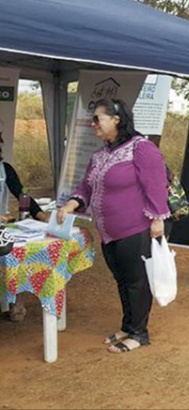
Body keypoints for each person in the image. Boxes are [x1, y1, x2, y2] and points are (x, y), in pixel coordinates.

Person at [57, 98, 169, 354]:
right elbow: (86, 186)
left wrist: (157, 219)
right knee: (123, 280)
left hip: (136, 229)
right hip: (108, 233)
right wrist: (71, 205)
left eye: (97, 119)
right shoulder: (100, 155)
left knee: (136, 282)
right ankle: (128, 326)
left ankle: (139, 333)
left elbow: (155, 183)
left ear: (116, 120)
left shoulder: (141, 148)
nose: (92, 124)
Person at [0, 120, 50, 323]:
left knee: (15, 256)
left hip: (2, 230)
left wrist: (40, 215)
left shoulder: (5, 170)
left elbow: (22, 194)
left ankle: (14, 301)